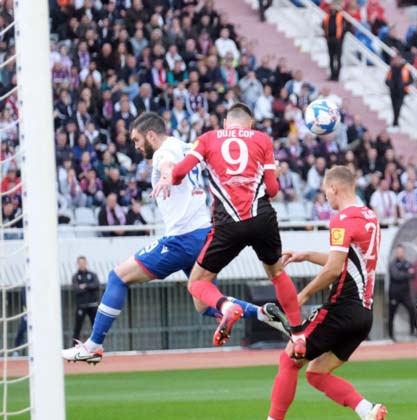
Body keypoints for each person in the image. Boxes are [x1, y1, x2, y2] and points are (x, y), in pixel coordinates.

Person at [63, 112, 287, 365]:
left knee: (118, 277)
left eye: (137, 140)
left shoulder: (164, 151)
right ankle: (262, 313)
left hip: (182, 238)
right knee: (202, 303)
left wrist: (168, 174)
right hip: (205, 234)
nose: (136, 147)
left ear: (151, 135)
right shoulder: (186, 146)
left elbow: (165, 163)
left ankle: (94, 345)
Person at [235, 166, 387, 420]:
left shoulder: (342, 219)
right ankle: (368, 409)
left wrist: (302, 295)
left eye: (325, 192)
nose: (325, 197)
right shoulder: (369, 216)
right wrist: (306, 255)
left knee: (290, 357)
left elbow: (334, 270)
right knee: (316, 373)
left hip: (341, 309)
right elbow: (346, 261)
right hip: (363, 314)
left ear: (334, 189)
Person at [152, 103, 304, 351]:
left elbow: (179, 173)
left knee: (196, 284)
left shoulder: (208, 138)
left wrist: (171, 176)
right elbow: (273, 190)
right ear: (250, 124)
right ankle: (298, 335)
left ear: (225, 124)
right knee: (277, 273)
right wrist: (273, 174)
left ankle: (225, 305)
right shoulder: (262, 139)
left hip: (227, 223)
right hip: (262, 218)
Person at [388, 245, 416, 341]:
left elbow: (413, 274)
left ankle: (412, 331)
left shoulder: (408, 263)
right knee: (392, 314)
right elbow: (396, 275)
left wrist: (405, 274)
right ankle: (391, 335)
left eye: (401, 252)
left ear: (404, 253)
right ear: (396, 253)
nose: (400, 253)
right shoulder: (392, 264)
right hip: (394, 294)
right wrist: (407, 274)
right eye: (398, 252)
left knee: (412, 309)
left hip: (405, 294)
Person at [72, 256, 100, 342]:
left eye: (83, 263)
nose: (82, 265)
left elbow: (96, 285)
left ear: (86, 263)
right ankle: (75, 346)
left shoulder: (92, 275)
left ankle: (97, 345)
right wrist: (89, 287)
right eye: (80, 263)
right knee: (77, 327)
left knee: (96, 326)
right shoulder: (76, 276)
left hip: (93, 305)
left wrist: (85, 286)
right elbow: (76, 289)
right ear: (77, 264)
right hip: (81, 305)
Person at [322, 1, 347, 81]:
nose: (333, 7)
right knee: (331, 58)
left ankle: (337, 75)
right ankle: (332, 75)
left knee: (338, 58)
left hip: (338, 41)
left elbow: (346, 28)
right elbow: (323, 25)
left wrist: (340, 38)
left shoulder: (341, 16)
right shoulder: (328, 16)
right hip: (330, 40)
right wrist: (327, 36)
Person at [385, 54, 411, 129]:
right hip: (393, 91)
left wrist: (404, 84)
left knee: (398, 106)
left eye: (398, 59)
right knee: (394, 106)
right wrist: (391, 85)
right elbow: (386, 80)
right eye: (396, 59)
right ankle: (395, 122)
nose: (397, 61)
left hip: (401, 91)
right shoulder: (392, 68)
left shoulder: (405, 68)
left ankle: (395, 122)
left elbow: (411, 80)